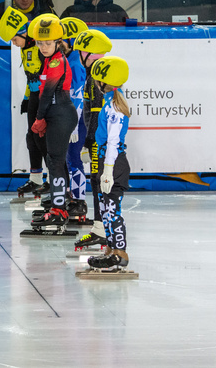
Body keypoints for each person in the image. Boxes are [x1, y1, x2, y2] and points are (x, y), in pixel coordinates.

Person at [27, 14, 78, 229]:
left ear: (57, 42)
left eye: (48, 43)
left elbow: (47, 95)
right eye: (40, 43)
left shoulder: (57, 61)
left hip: (60, 114)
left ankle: (59, 210)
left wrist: (39, 118)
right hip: (56, 114)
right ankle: (60, 202)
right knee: (55, 160)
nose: (44, 47)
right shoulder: (48, 59)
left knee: (55, 161)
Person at [86, 56, 132, 272]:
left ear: (103, 82)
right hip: (108, 160)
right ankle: (111, 249)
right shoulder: (110, 101)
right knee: (105, 209)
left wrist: (108, 171)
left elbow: (113, 141)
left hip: (113, 163)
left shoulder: (114, 105)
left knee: (112, 209)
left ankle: (120, 253)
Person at [0, 7, 47, 199]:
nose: (14, 44)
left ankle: (53, 180)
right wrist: (27, 98)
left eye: (15, 39)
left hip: (47, 97)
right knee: (32, 138)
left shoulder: (41, 48)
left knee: (46, 140)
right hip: (35, 96)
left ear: (25, 33)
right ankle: (36, 178)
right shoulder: (25, 48)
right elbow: (30, 77)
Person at [72, 28, 113, 251]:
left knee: (99, 182)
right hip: (97, 136)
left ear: (89, 54)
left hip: (99, 138)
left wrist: (89, 140)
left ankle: (102, 229)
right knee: (96, 181)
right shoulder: (93, 74)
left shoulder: (97, 77)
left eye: (81, 52)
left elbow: (97, 113)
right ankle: (100, 227)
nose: (78, 56)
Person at [60, 17, 89, 222]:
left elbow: (78, 97)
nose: (57, 43)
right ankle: (74, 197)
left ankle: (79, 202)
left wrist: (73, 125)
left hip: (77, 120)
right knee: (69, 159)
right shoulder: (67, 60)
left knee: (74, 157)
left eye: (62, 40)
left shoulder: (75, 64)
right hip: (71, 118)